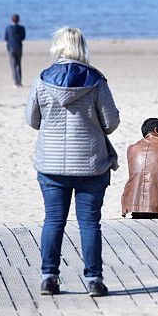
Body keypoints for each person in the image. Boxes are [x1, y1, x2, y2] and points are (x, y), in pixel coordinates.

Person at [25, 27, 120, 298]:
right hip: (91, 163)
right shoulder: (95, 80)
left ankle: (49, 278)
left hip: (51, 164)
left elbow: (32, 119)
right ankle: (94, 281)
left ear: (58, 47)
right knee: (89, 223)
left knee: (54, 220)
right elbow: (111, 123)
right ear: (81, 47)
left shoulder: (43, 79)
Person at [4, 14, 26, 88]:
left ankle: (16, 83)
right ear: (18, 20)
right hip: (19, 47)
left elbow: (6, 38)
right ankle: (19, 82)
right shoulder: (22, 28)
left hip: (11, 48)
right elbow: (23, 37)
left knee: (13, 65)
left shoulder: (8, 28)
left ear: (12, 20)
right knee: (18, 65)